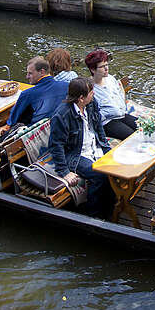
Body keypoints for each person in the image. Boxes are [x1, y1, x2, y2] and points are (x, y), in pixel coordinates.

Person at [48, 77, 115, 218]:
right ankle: (93, 215)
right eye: (91, 92)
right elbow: (56, 145)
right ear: (81, 98)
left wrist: (106, 148)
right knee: (99, 174)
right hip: (75, 154)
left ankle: (110, 211)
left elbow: (98, 127)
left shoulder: (91, 104)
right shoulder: (62, 115)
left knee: (113, 169)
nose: (94, 95)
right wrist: (65, 171)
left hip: (94, 147)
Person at [0, 57, 70, 139]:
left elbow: (13, 119)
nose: (27, 76)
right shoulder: (67, 86)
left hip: (37, 135)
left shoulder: (28, 93)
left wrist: (5, 126)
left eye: (30, 73)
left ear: (42, 72)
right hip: (61, 128)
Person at [84, 48, 137, 139]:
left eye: (107, 65)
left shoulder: (110, 79)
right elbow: (93, 115)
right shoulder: (89, 88)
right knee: (132, 136)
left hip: (121, 114)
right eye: (102, 67)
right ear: (93, 70)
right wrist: (110, 112)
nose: (106, 68)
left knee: (143, 127)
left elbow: (120, 94)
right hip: (107, 122)